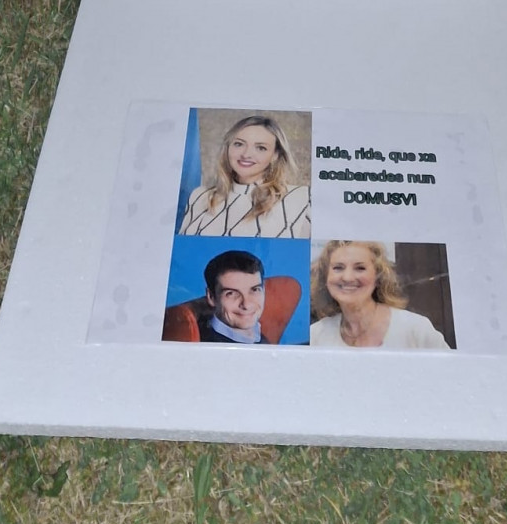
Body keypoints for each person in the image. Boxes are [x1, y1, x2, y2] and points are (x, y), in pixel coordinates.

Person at [178, 114, 311, 238]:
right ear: (228, 148)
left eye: (261, 148)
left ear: (275, 155)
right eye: (239, 144)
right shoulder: (199, 196)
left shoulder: (302, 198)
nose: (246, 154)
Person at [309, 241, 451, 349]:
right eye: (338, 268)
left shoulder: (416, 328)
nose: (348, 277)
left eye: (360, 268)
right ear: (325, 277)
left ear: (378, 277)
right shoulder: (315, 335)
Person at [196, 250, 268, 343]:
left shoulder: (256, 333)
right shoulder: (206, 345)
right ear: (211, 297)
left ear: (264, 290)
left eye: (254, 290)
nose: (246, 305)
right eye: (231, 293)